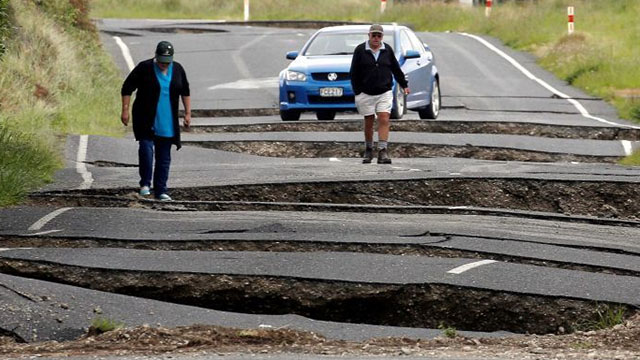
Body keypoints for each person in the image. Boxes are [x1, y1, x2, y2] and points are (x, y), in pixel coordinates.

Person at [120, 40, 191, 201]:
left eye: (167, 62)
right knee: (146, 149)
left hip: (167, 119)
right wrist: (125, 110)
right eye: (161, 62)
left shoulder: (178, 69)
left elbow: (185, 91)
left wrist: (187, 113)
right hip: (145, 117)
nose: (163, 65)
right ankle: (145, 184)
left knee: (164, 156)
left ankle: (161, 190)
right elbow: (127, 87)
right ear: (155, 57)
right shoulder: (144, 68)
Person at [350, 24, 409, 164]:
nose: (376, 38)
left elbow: (395, 68)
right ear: (369, 35)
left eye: (379, 36)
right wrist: (357, 91)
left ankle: (382, 151)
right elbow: (353, 73)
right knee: (369, 121)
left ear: (382, 37)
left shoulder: (387, 50)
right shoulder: (360, 50)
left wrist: (404, 84)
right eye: (373, 35)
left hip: (384, 91)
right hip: (365, 93)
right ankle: (369, 149)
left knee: (384, 118)